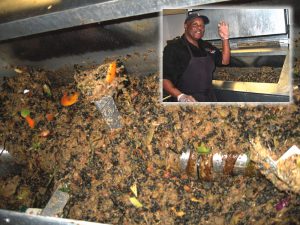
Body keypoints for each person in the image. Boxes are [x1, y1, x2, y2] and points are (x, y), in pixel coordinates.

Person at [163, 13, 230, 102]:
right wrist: (180, 96)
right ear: (186, 26)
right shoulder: (174, 48)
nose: (199, 28)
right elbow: (164, 79)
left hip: (209, 99)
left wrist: (225, 38)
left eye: (202, 25)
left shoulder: (206, 46)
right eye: (195, 24)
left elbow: (225, 61)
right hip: (188, 102)